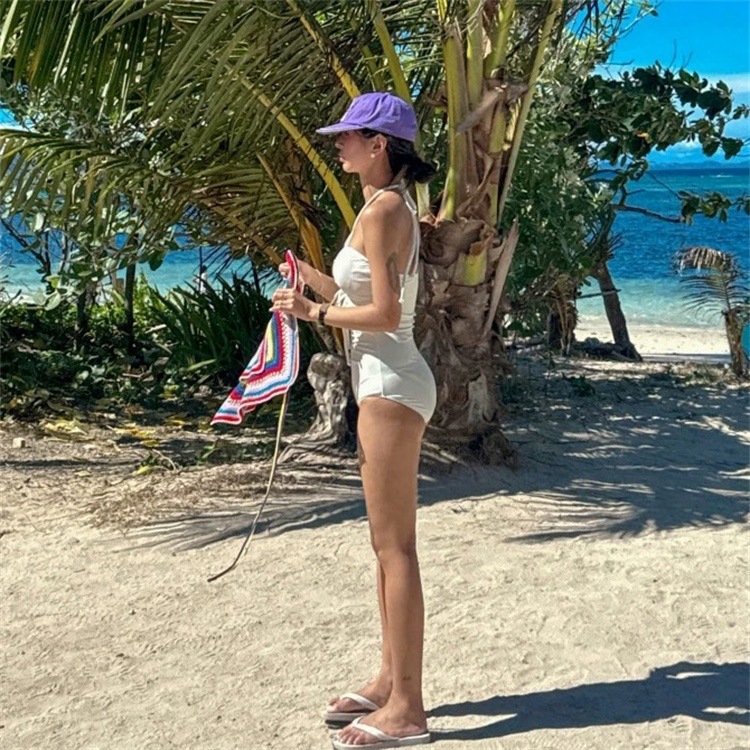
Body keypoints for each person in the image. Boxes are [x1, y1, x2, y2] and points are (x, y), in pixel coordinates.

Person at [271, 92, 436, 749]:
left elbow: (387, 316)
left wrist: (312, 314)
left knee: (396, 549)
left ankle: (409, 709)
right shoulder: (385, 204)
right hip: (386, 380)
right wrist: (311, 283)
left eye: (347, 135)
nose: (337, 144)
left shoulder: (386, 208)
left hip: (391, 384)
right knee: (384, 548)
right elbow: (359, 294)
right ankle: (389, 681)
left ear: (378, 144)